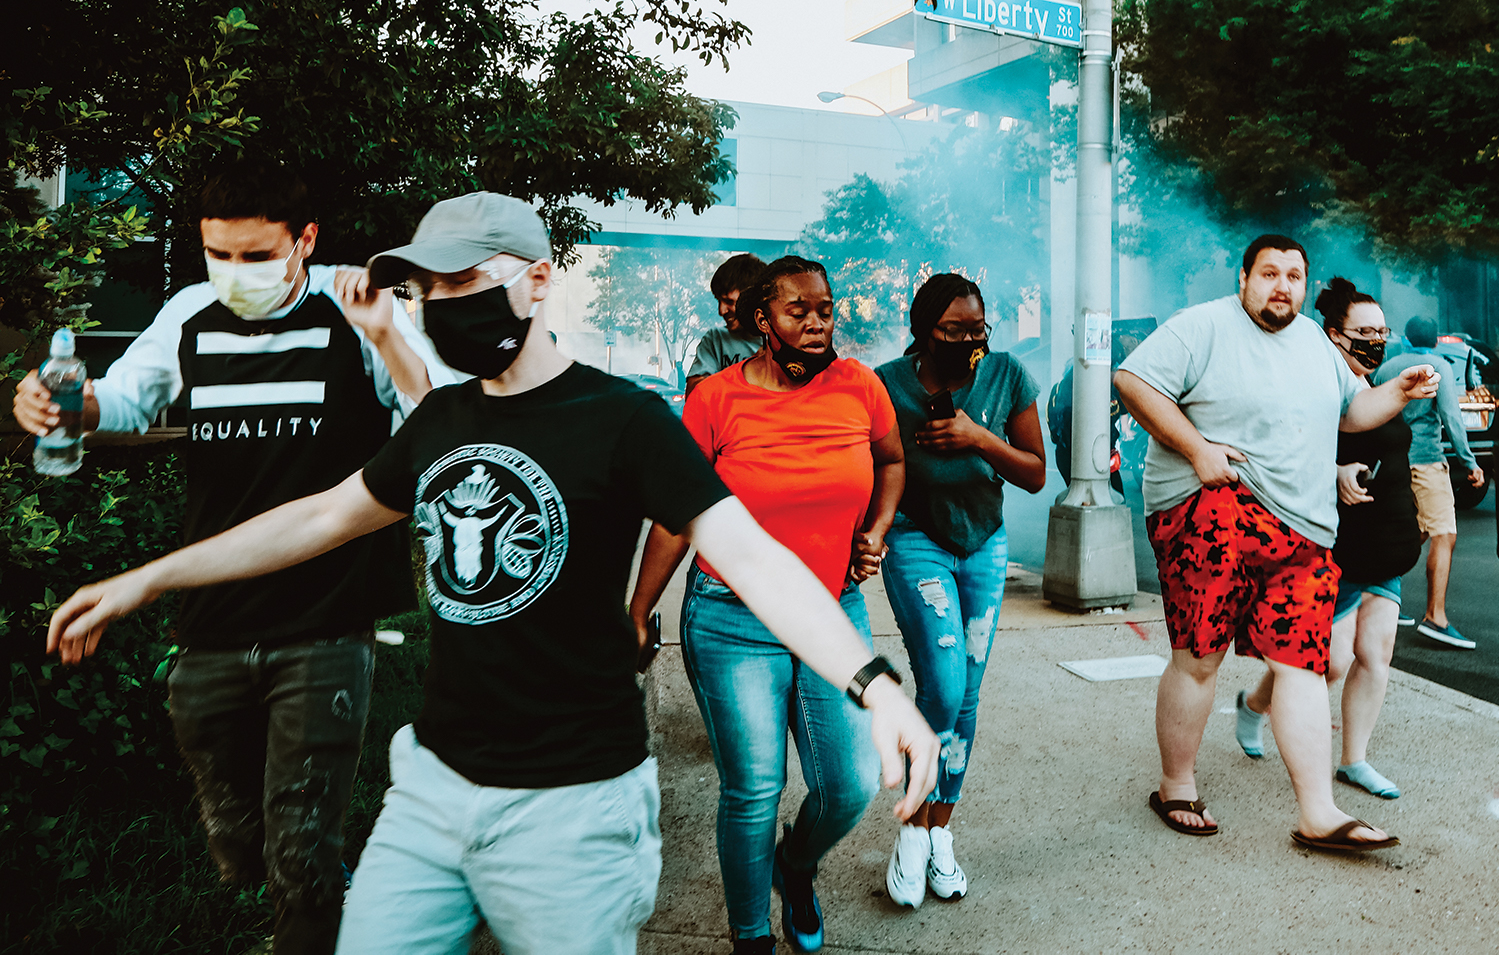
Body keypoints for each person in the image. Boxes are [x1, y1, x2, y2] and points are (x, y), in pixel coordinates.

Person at [45, 196, 939, 955]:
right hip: (430, 793)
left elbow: (752, 558)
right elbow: (319, 517)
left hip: (575, 809)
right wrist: (148, 579)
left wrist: (874, 687)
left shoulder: (622, 418)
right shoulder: (440, 419)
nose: (443, 303)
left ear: (538, 280)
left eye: (465, 282)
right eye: (428, 288)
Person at [14, 161, 444, 955]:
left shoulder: (359, 312)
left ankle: (319, 900)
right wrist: (60, 402)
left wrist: (386, 333)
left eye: (256, 256)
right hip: (212, 611)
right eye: (220, 255)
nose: (234, 274)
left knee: (299, 851)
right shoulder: (189, 313)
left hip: (327, 614)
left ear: (304, 241)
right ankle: (318, 877)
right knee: (234, 838)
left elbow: (437, 418)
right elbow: (127, 399)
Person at [1112, 234, 1439, 853]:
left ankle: (1319, 813)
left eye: (1294, 275)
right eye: (1269, 273)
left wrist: (1399, 392)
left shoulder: (1317, 341)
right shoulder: (1202, 326)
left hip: (1304, 529)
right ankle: (1176, 784)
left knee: (1304, 667)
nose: (1282, 285)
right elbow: (1133, 382)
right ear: (1244, 279)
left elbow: (1351, 412)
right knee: (1200, 656)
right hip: (1212, 506)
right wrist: (1198, 449)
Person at [637, 255, 907, 954]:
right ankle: (750, 934)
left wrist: (874, 530)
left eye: (824, 308)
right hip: (732, 619)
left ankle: (796, 862)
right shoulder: (715, 399)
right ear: (762, 320)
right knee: (754, 789)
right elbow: (674, 512)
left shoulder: (860, 386)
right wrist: (636, 611)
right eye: (798, 310)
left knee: (849, 785)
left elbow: (892, 460)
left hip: (830, 611)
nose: (817, 322)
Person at [864, 274, 1046, 907]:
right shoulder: (886, 383)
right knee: (941, 681)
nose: (970, 341)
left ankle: (940, 829)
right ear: (923, 330)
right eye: (954, 331)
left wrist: (979, 438)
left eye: (978, 330)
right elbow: (868, 464)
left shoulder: (1007, 375)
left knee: (966, 689)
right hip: (916, 540)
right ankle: (913, 828)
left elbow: (1034, 473)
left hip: (984, 542)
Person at [1237, 279, 1423, 802]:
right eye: (1364, 331)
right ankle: (1254, 705)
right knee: (1329, 661)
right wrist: (1334, 468)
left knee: (1375, 654)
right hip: (1330, 544)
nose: (1376, 341)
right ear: (1333, 334)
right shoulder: (1313, 386)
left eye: (1381, 331)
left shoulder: (1382, 387)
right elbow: (1274, 454)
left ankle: (1354, 760)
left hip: (1384, 543)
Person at [1376, 315, 1484, 648]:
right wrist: (1469, 462)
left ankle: (1380, 599)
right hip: (1425, 460)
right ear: (1435, 340)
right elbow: (1452, 416)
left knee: (1412, 531)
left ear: (1407, 339)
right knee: (1443, 533)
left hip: (1391, 462)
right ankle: (1435, 618)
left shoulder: (1386, 368)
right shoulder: (1437, 365)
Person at [686, 252, 767, 394]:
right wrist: (748, 370)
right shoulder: (715, 339)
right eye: (719, 301)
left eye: (729, 302)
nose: (721, 311)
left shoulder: (780, 340)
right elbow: (694, 392)